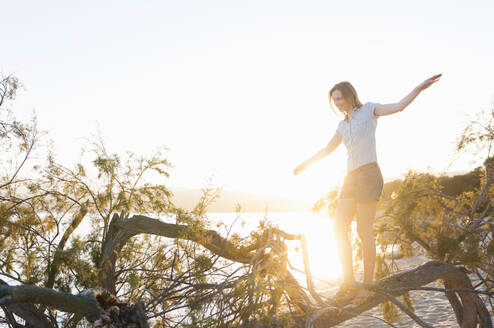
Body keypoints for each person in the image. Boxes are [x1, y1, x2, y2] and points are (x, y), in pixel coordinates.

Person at [293, 74, 442, 305]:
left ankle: (368, 286)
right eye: (334, 101)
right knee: (338, 228)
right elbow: (326, 149)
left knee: (364, 231)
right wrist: (305, 164)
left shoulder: (369, 111)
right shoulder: (342, 125)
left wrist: (418, 88)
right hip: (349, 178)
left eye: (340, 98)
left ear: (351, 95)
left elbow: (399, 107)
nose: (338, 103)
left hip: (369, 174)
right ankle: (349, 283)